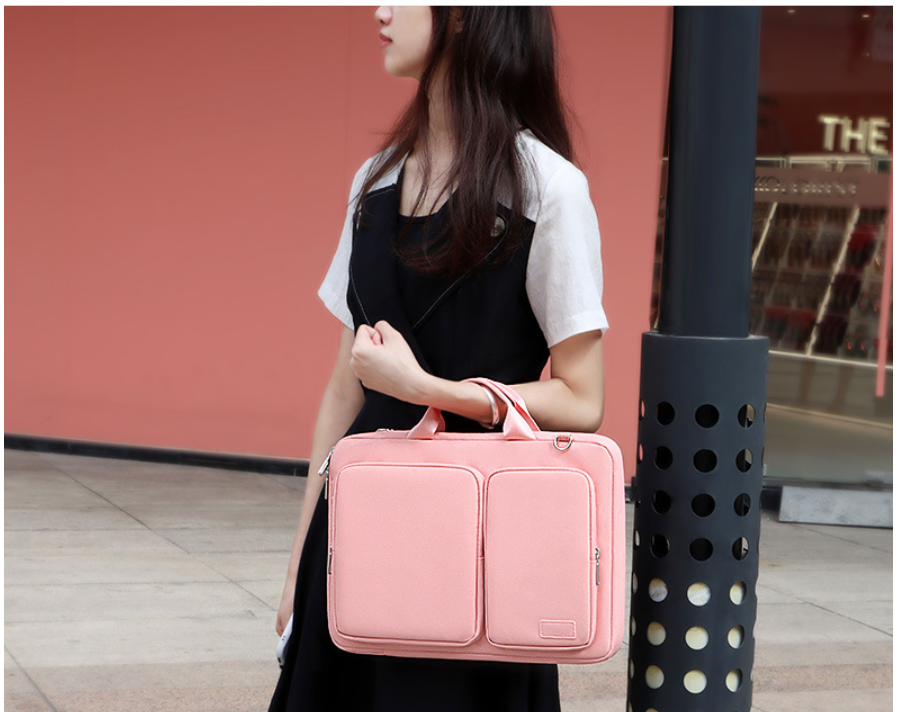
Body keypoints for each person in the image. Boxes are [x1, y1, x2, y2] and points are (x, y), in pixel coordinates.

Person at [270, 7, 608, 711]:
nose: (380, 11)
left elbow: (582, 399)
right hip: (356, 531)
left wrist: (428, 389)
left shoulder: (546, 189)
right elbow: (344, 390)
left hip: (474, 546)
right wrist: (302, 557)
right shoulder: (375, 182)